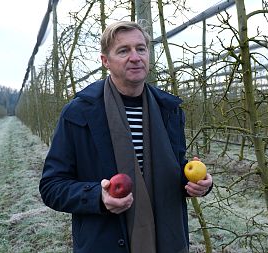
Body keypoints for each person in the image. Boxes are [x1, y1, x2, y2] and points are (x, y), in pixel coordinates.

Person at [39, 20, 213, 253]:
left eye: (141, 49)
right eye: (123, 50)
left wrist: (196, 183)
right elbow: (52, 186)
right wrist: (97, 197)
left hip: (168, 241)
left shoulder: (169, 111)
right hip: (105, 243)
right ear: (105, 61)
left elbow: (172, 172)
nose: (135, 56)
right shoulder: (79, 113)